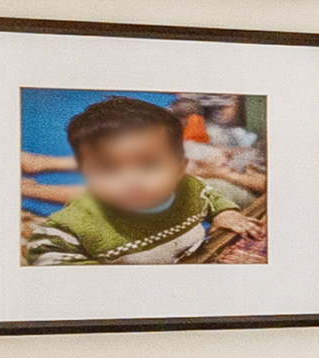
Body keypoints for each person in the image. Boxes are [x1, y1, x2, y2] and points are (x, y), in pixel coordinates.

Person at [21, 93, 265, 265]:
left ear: (181, 170)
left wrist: (224, 213)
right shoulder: (76, 223)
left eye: (148, 165)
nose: (130, 180)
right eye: (107, 168)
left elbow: (207, 194)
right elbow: (45, 249)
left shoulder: (189, 189)